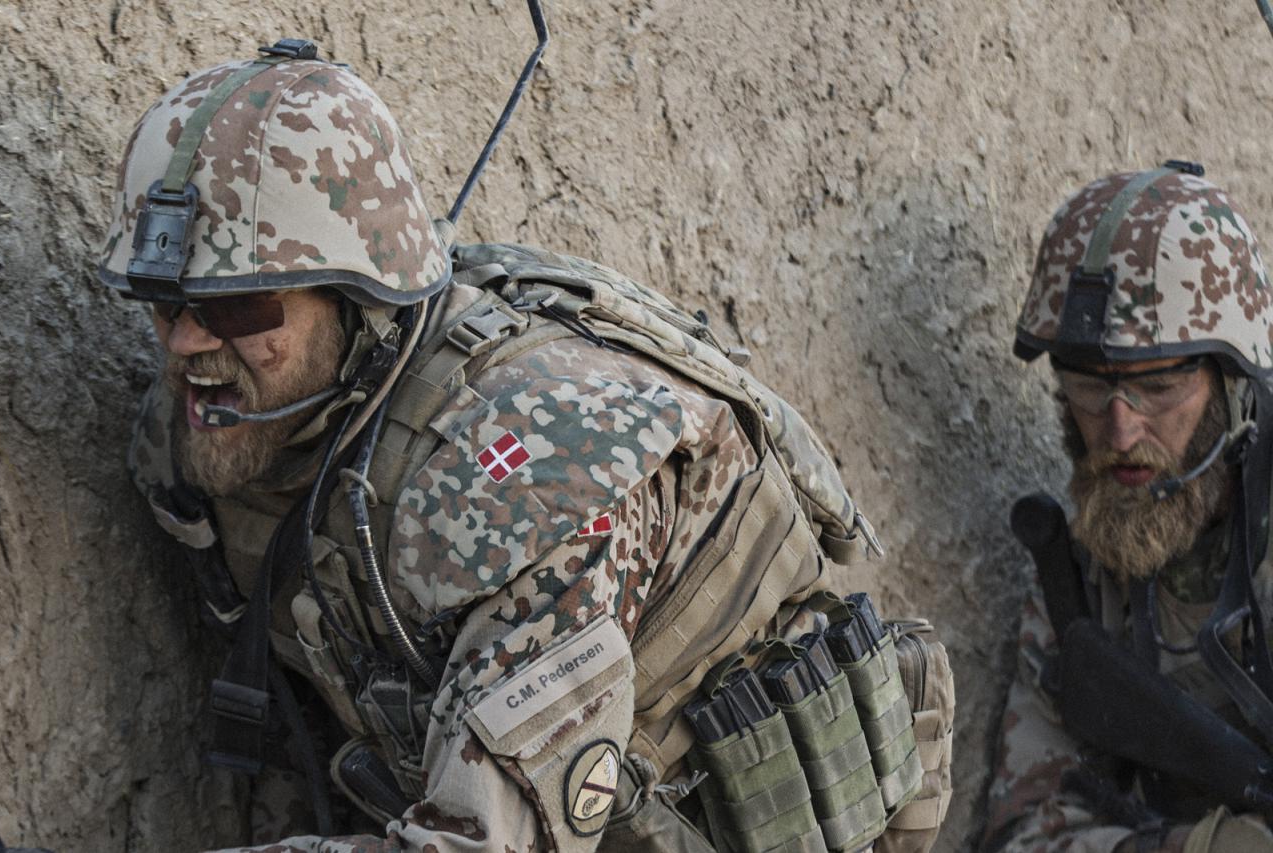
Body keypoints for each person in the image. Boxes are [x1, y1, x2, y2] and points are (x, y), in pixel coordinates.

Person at [97, 40, 951, 852]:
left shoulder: (536, 478)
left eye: (237, 307)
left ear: (360, 299)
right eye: (163, 302)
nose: (186, 343)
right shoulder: (236, 428)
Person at [985, 163, 1273, 852]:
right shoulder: (1083, 577)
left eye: (1160, 386)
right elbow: (1026, 829)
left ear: (1233, 387)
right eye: (1089, 388)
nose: (1119, 433)